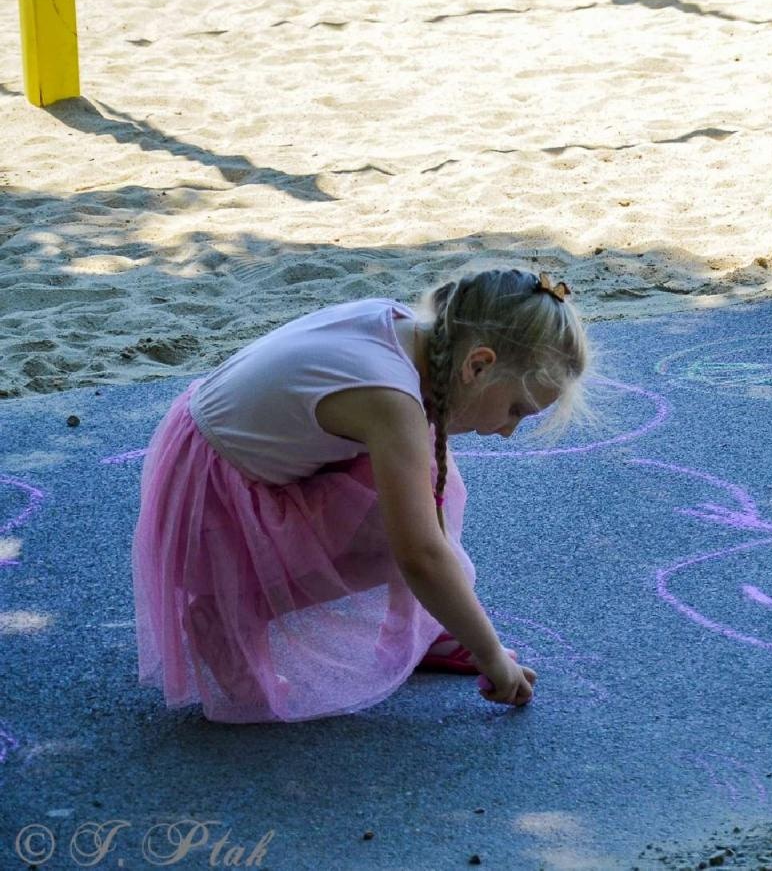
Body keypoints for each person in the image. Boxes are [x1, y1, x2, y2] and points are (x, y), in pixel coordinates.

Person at [132, 267, 589, 723]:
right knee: (402, 538)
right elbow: (422, 557)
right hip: (214, 504)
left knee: (422, 480)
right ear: (478, 365)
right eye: (516, 410)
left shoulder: (408, 332)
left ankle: (420, 627)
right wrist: (491, 656)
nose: (508, 431)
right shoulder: (389, 400)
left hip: (217, 456)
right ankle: (233, 612)